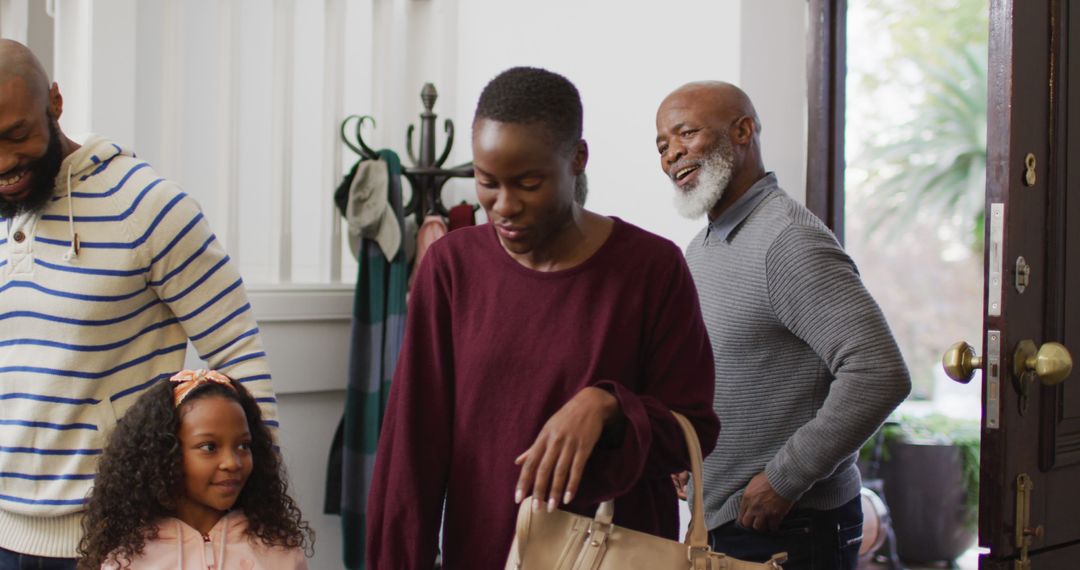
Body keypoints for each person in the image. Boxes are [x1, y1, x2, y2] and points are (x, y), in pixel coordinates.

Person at [366, 67, 719, 569]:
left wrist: (607, 405)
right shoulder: (451, 267)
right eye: (487, 183)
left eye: (529, 183)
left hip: (614, 556)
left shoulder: (652, 269)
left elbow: (693, 433)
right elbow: (412, 452)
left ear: (577, 159)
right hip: (484, 554)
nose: (504, 207)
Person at [0, 39, 277, 566]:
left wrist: (253, 521)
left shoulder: (147, 206)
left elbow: (240, 353)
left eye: (18, 135)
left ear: (55, 103)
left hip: (117, 540)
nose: (4, 162)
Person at [655, 81, 911, 569]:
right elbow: (734, 370)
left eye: (686, 133)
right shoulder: (703, 248)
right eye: (663, 146)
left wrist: (784, 479)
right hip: (723, 521)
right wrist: (693, 460)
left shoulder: (787, 241)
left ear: (743, 130)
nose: (672, 155)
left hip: (789, 526)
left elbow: (879, 372)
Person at [77, 370, 310, 569]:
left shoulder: (279, 553)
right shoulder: (129, 560)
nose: (232, 462)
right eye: (209, 447)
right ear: (165, 453)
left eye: (243, 445)